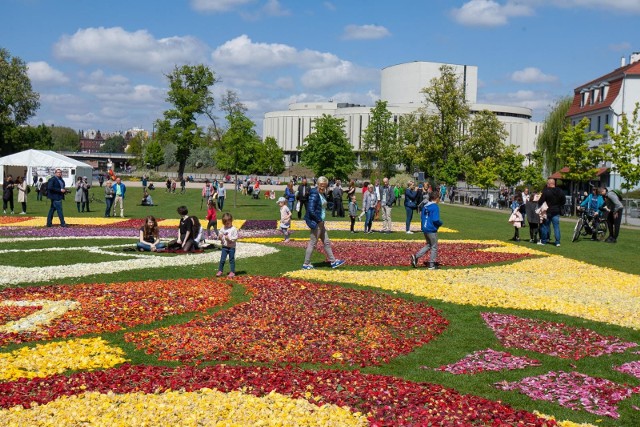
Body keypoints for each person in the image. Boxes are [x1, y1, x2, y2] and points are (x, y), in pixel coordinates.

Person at [302, 176, 345, 270]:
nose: (323, 187)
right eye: (321, 185)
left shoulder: (321, 193)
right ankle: (306, 264)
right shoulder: (314, 193)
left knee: (326, 242)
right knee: (313, 243)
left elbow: (322, 205)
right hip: (317, 222)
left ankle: (333, 262)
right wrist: (319, 220)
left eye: (325, 185)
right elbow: (311, 210)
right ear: (318, 184)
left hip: (321, 222)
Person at [410, 191, 443, 270]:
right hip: (431, 229)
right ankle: (431, 265)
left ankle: (416, 256)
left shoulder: (425, 206)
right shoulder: (435, 207)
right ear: (436, 198)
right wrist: (440, 223)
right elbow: (435, 219)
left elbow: (422, 217)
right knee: (434, 246)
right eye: (439, 198)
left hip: (425, 228)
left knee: (429, 245)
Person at [537, 178, 565, 246]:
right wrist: (559, 205)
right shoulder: (560, 191)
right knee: (556, 227)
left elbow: (540, 201)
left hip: (548, 211)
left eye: (547, 184)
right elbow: (564, 201)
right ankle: (557, 242)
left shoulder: (546, 191)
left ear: (549, 184)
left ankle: (544, 241)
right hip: (556, 211)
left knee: (545, 226)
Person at [217, 212, 238, 277]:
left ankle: (232, 272)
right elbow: (220, 235)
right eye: (225, 224)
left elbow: (235, 238)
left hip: (231, 247)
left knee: (231, 259)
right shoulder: (223, 228)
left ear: (231, 221)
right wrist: (220, 237)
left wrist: (229, 239)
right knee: (222, 259)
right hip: (224, 247)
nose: (227, 225)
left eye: (228, 223)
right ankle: (220, 270)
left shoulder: (233, 229)